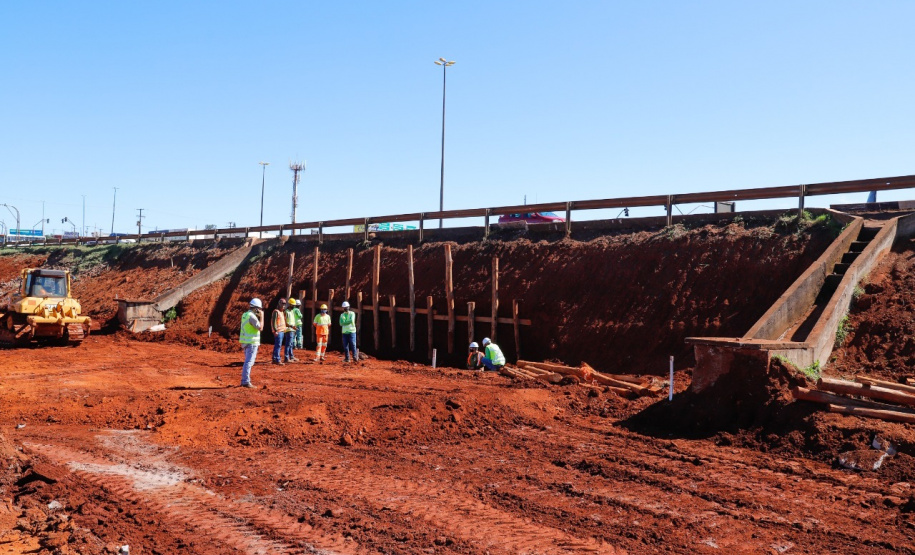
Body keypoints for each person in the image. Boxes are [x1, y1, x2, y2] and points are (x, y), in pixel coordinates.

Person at [239, 298, 264, 388]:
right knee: (249, 362)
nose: (260, 311)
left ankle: (245, 380)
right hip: (252, 342)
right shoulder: (252, 316)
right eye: (259, 309)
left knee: (248, 361)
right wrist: (262, 317)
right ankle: (245, 381)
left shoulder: (245, 314)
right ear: (256, 309)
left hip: (245, 342)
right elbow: (260, 328)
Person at [271, 298, 288, 365]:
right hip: (278, 331)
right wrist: (275, 330)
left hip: (282, 331)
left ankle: (274, 358)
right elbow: (273, 322)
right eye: (282, 304)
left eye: (284, 304)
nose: (283, 306)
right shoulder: (276, 311)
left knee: (277, 345)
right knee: (278, 345)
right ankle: (277, 359)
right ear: (279, 304)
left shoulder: (281, 312)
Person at [284, 298, 299, 362]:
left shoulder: (292, 311)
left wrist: (294, 327)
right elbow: (285, 322)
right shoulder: (286, 312)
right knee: (288, 344)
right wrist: (291, 326)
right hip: (289, 329)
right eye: (292, 305)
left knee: (291, 344)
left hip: (292, 329)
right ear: (289, 304)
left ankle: (291, 356)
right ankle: (287, 358)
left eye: (294, 305)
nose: (293, 306)